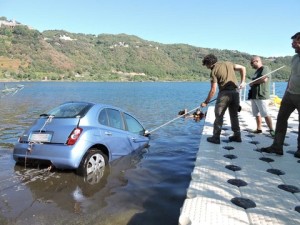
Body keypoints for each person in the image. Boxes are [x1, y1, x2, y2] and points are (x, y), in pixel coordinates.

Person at [261, 32, 300, 157]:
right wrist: (286, 92)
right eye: (293, 41)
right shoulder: (294, 58)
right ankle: (277, 146)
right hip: (289, 94)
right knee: (281, 119)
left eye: (296, 40)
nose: (293, 43)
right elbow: (292, 75)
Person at [201, 54, 246, 144]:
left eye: (206, 65)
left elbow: (213, 90)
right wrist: (243, 82)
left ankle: (216, 137)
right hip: (235, 93)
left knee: (219, 116)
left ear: (209, 63)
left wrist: (206, 102)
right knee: (234, 115)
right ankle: (237, 136)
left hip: (224, 94)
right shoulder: (228, 64)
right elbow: (243, 68)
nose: (206, 67)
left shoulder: (213, 71)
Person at [248, 56, 275, 137]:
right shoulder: (256, 71)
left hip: (261, 95)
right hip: (254, 95)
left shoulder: (265, 68)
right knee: (256, 113)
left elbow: (264, 79)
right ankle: (259, 129)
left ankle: (271, 130)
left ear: (257, 61)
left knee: (265, 113)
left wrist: (253, 83)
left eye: (252, 63)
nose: (251, 65)